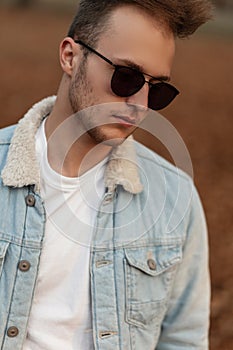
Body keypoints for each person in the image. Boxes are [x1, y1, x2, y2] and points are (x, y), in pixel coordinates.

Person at [0, 1, 213, 349]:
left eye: (157, 89)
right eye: (125, 76)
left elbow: (184, 339)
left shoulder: (176, 199)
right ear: (71, 56)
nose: (140, 104)